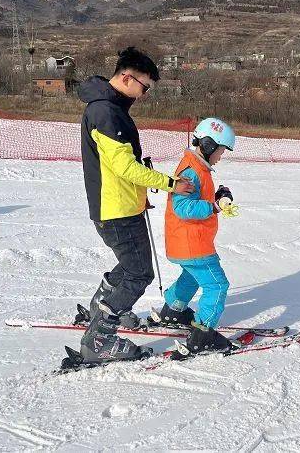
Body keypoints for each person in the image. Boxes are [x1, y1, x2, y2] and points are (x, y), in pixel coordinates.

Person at [78, 46, 194, 364]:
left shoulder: (109, 107)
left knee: (130, 266)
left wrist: (141, 193)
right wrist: (171, 184)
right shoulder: (105, 112)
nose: (143, 94)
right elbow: (125, 168)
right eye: (144, 87)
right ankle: (100, 338)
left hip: (123, 204)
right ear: (127, 77)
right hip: (116, 209)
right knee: (138, 272)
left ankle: (100, 310)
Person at [155, 117, 238, 355]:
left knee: (191, 277)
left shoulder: (196, 167)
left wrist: (218, 194)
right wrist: (214, 207)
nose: (221, 156)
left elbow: (198, 198)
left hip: (185, 243)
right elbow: (183, 208)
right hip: (195, 244)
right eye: (221, 150)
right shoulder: (192, 171)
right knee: (217, 285)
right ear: (210, 145)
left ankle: (174, 310)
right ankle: (203, 334)